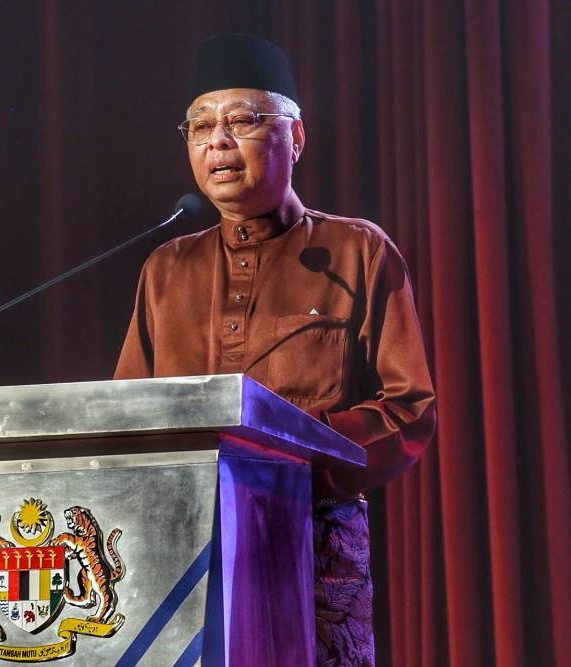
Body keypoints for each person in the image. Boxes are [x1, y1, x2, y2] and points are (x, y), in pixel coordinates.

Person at [114, 34, 436, 666]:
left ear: (297, 138)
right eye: (200, 126)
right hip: (180, 543)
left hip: (310, 537)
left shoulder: (355, 252)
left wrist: (290, 454)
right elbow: (130, 414)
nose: (218, 142)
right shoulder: (166, 267)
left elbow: (408, 408)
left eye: (243, 120)